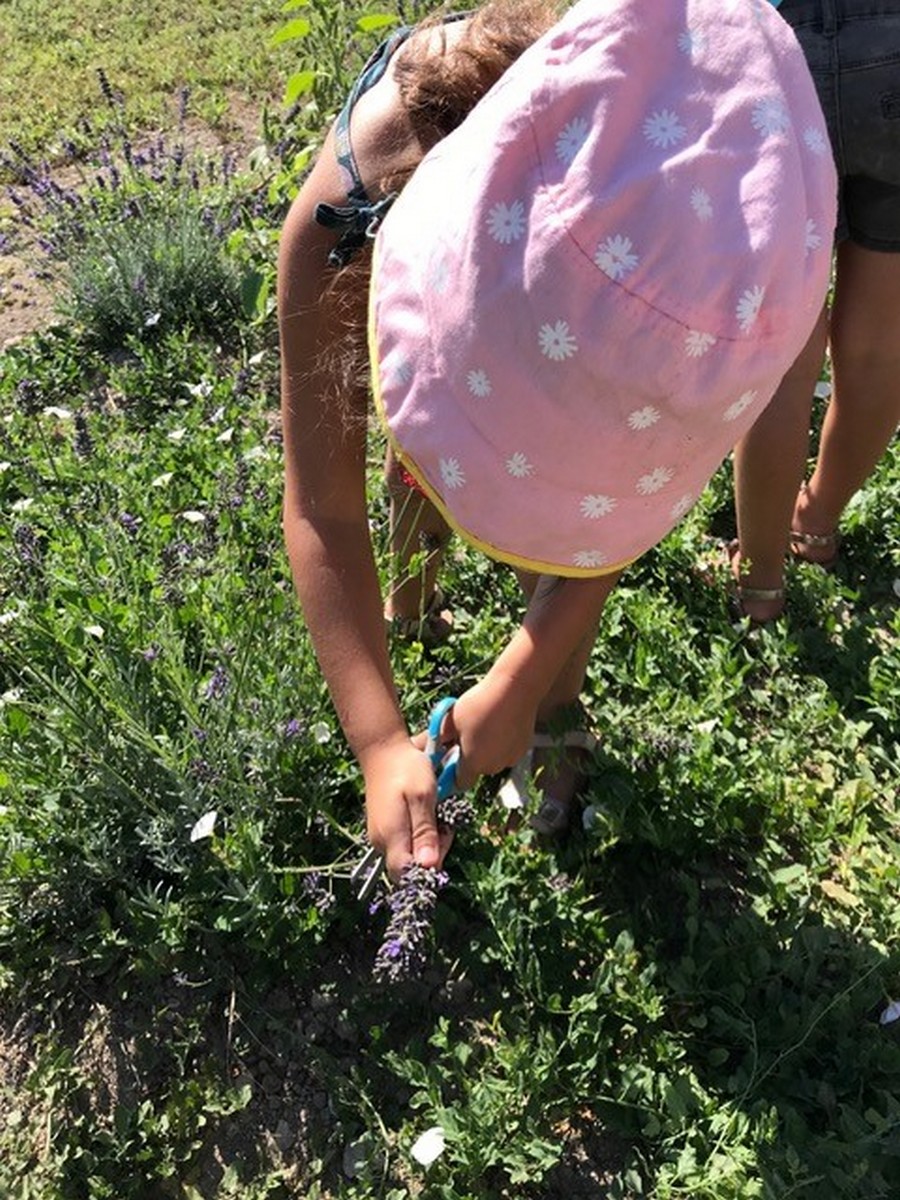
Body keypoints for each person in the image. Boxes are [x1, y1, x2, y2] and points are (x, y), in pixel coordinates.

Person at [279, 0, 836, 880]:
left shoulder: (715, 261)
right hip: (425, 229)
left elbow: (614, 507)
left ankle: (557, 708)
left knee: (556, 496)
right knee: (422, 459)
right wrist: (381, 741)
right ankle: (412, 594)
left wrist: (528, 673)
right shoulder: (345, 226)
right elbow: (323, 508)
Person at [729, 0, 900, 623]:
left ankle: (761, 585)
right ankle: (817, 525)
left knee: (784, 353)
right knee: (882, 344)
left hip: (781, 47)